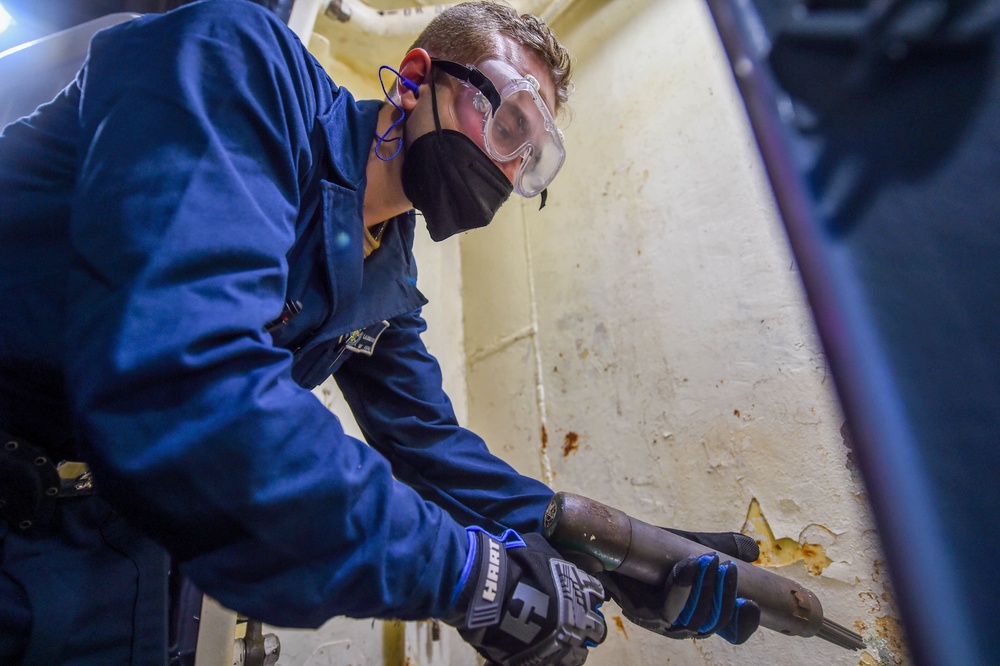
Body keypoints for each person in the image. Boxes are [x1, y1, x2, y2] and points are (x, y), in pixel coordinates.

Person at [0, 1, 759, 663]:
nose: (506, 163)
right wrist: (468, 575)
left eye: (530, 158)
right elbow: (187, 380)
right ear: (413, 77)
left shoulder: (385, 278)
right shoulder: (239, 66)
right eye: (505, 120)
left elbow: (432, 451)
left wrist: (620, 552)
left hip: (110, 557)